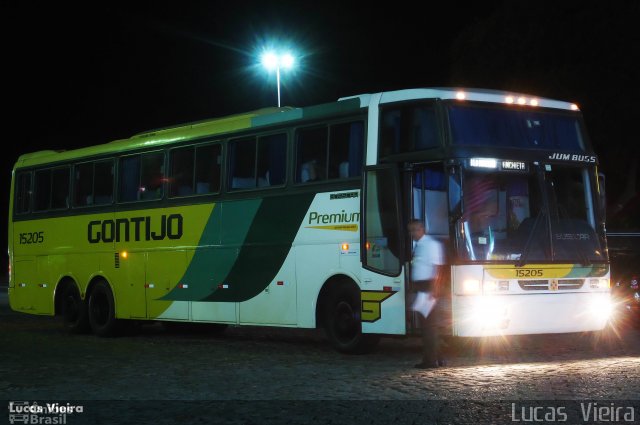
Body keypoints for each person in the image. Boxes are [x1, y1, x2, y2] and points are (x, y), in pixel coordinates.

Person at [408, 219, 445, 369]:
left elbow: (438, 268)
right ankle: (438, 358)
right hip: (421, 287)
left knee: (428, 327)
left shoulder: (431, 245)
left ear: (423, 229)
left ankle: (430, 361)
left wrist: (434, 290)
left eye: (415, 229)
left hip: (428, 287)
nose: (412, 233)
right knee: (429, 327)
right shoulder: (418, 246)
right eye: (410, 230)